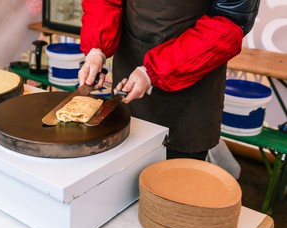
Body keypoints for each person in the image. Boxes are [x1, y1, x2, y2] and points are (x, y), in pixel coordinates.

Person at [78, 0, 260, 160]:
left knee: (175, 187)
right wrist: (97, 48)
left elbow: (229, 22)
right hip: (131, 63)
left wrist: (154, 71)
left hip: (191, 86)